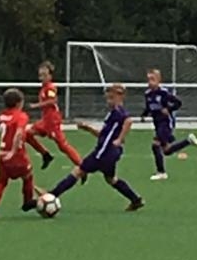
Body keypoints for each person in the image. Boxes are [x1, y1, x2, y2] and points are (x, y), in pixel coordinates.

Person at [49, 83, 145, 211]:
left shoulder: (118, 111)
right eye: (108, 98)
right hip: (111, 152)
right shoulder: (113, 114)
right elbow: (103, 135)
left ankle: (52, 195)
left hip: (104, 152)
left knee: (78, 171)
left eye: (111, 97)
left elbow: (129, 121)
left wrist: (120, 139)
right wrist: (88, 128)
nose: (108, 100)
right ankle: (136, 200)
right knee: (111, 179)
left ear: (120, 96)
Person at [0, 89, 39, 219]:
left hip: (2, 154)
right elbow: (19, 133)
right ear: (18, 103)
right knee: (28, 176)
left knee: (1, 182)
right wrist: (13, 151)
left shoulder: (2, 116)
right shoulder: (21, 116)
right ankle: (27, 201)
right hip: (16, 155)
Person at [142, 69, 197, 180]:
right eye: (148, 79)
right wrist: (144, 115)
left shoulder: (163, 93)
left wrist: (168, 109)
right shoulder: (148, 94)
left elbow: (178, 103)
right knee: (166, 150)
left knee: (155, 144)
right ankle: (188, 141)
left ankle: (161, 173)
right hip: (157, 124)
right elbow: (148, 107)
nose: (150, 82)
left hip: (165, 123)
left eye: (153, 79)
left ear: (159, 80)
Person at [26, 61, 82, 167]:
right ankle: (45, 155)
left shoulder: (50, 87)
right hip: (45, 120)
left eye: (44, 75)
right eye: (40, 75)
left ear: (50, 76)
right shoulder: (44, 87)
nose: (42, 78)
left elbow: (53, 100)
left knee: (62, 145)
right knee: (27, 134)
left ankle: (81, 165)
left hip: (52, 121)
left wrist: (35, 105)